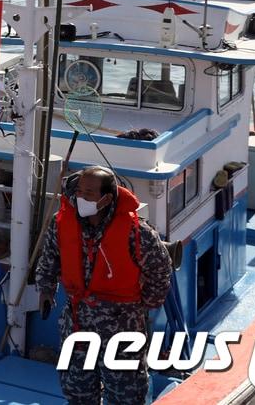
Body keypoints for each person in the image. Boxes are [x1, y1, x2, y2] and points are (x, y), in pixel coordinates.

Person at [35, 166, 172, 405]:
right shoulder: (63, 223)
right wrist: (46, 289)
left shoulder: (137, 232)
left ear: (106, 198)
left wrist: (147, 303)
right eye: (78, 191)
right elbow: (50, 256)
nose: (81, 198)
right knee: (77, 390)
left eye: (88, 193)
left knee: (127, 394)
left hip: (122, 326)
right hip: (77, 322)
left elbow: (160, 268)